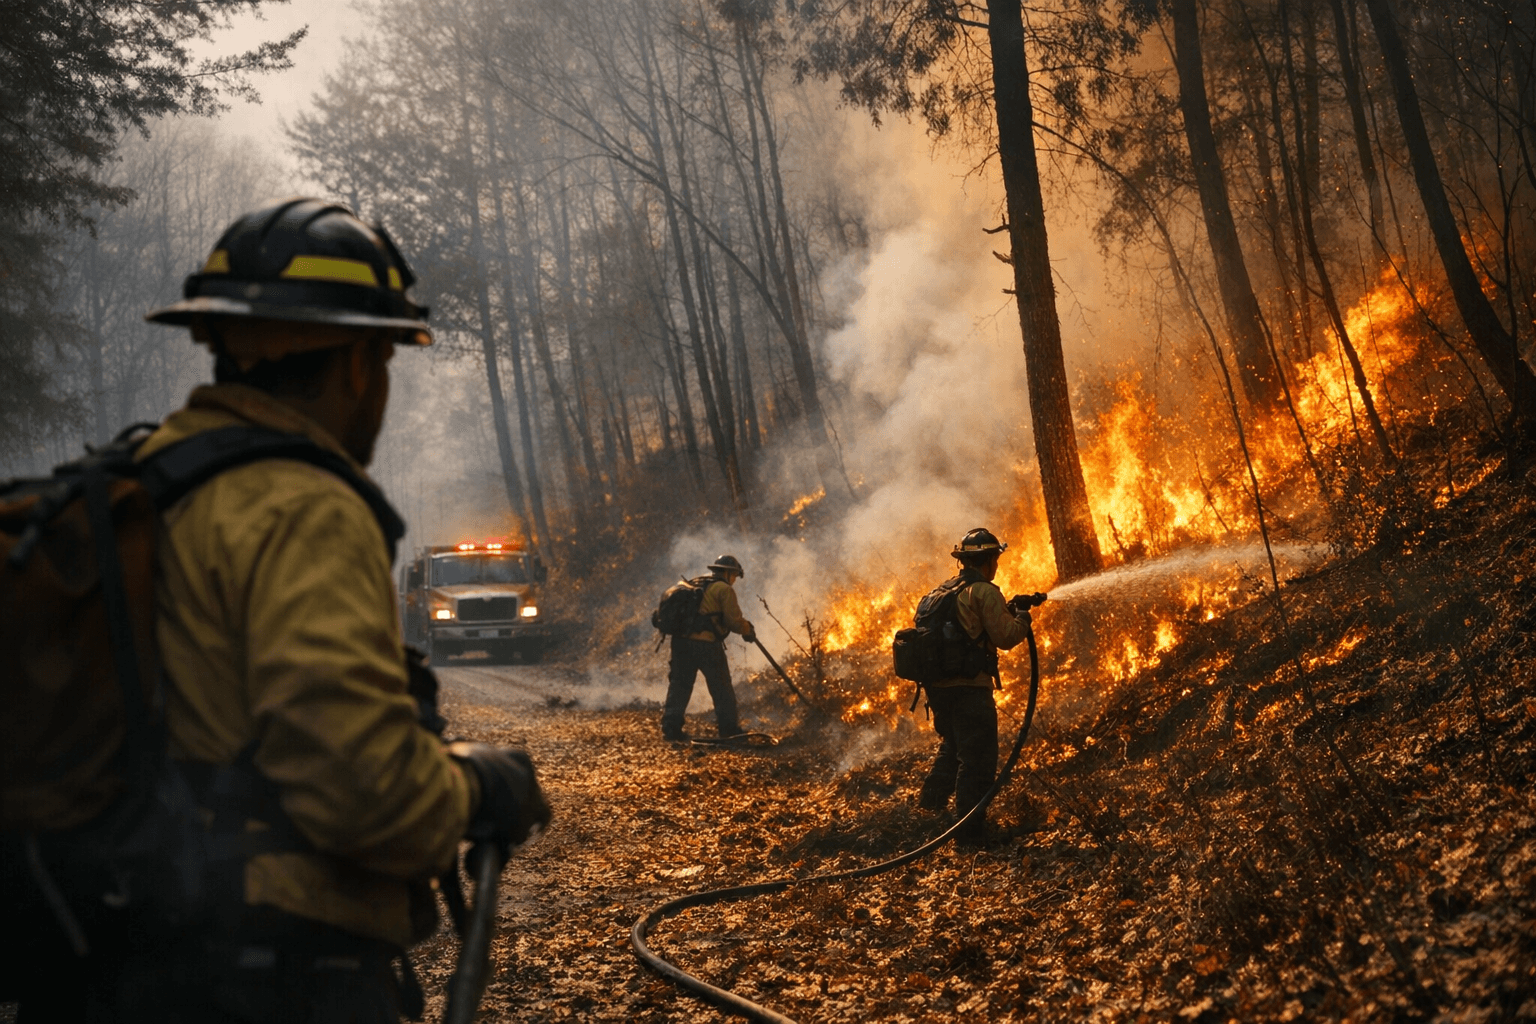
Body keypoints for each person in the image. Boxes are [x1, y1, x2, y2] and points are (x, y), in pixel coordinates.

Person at [15, 198, 551, 1023]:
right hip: (268, 976)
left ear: (224, 346)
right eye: (384, 360)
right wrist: (479, 790)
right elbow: (364, 791)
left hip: (111, 960)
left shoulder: (148, 483)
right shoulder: (302, 506)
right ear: (355, 367)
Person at [915, 528, 1033, 846]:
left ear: (964, 561)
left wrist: (1007, 611)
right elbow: (1006, 637)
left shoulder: (943, 592)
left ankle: (927, 813)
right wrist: (1022, 618)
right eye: (995, 559)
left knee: (953, 749)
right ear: (990, 560)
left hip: (938, 690)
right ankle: (970, 834)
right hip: (969, 690)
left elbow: (972, 627)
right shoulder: (983, 591)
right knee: (978, 759)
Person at [661, 555, 756, 742]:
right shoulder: (723, 589)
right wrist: (747, 630)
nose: (735, 580)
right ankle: (729, 730)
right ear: (728, 573)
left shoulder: (693, 583)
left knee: (680, 685)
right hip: (706, 645)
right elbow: (733, 621)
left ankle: (671, 729)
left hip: (680, 643)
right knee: (721, 687)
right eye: (735, 575)